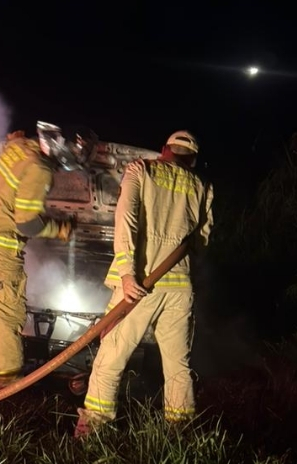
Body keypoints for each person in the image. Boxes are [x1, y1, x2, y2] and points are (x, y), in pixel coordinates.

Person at [74, 130, 214, 437]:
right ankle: (180, 432)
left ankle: (93, 431)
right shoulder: (202, 186)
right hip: (180, 289)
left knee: (110, 359)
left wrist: (127, 272)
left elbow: (126, 220)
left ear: (164, 149)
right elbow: (201, 241)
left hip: (140, 285)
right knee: (178, 366)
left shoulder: (141, 170)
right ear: (192, 159)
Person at [0, 121, 99, 391]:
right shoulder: (39, 169)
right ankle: (5, 384)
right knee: (7, 317)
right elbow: (27, 225)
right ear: (63, 147)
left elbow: (14, 146)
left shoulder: (21, 147)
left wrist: (14, 139)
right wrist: (61, 228)